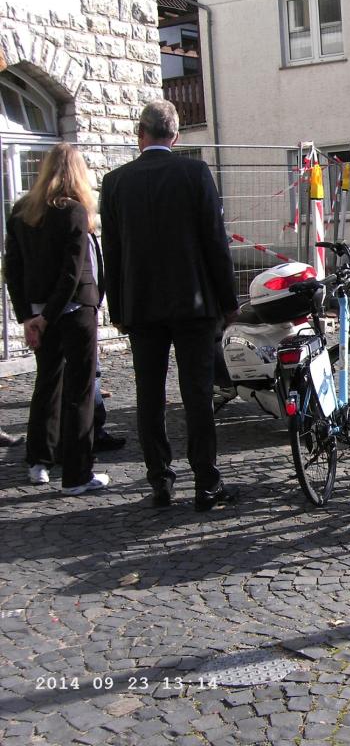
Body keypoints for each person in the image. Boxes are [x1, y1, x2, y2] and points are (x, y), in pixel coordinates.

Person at [100, 99, 239, 511]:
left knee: (149, 396)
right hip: (193, 304)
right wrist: (228, 300)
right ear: (175, 136)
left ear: (140, 133)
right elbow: (216, 242)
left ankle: (160, 480)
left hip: (142, 306)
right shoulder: (194, 172)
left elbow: (113, 251)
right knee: (197, 394)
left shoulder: (115, 182)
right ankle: (206, 483)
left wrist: (118, 309)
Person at [4, 143, 109, 495]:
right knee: (78, 389)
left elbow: (13, 268)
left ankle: (38, 461)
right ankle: (77, 474)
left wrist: (29, 317)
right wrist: (47, 316)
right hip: (75, 310)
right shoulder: (74, 211)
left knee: (46, 383)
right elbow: (72, 272)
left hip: (37, 312)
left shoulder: (21, 210)